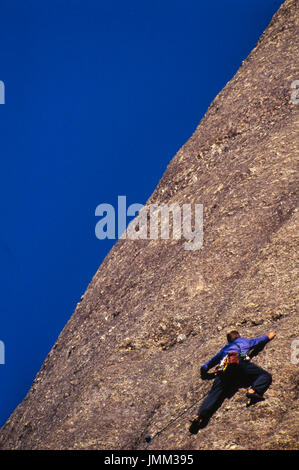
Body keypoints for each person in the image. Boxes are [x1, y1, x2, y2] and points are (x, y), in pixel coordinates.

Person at [189, 330, 276, 434]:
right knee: (264, 375)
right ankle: (253, 390)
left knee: (214, 394)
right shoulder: (243, 341)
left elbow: (207, 365)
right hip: (238, 364)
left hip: (224, 370)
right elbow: (257, 341)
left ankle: (199, 415)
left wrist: (206, 372)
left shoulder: (224, 349)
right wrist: (268, 336)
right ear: (238, 336)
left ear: (229, 340)